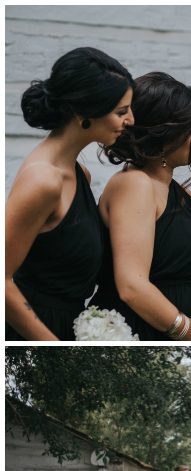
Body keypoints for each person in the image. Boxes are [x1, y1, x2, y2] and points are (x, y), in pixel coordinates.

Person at [6, 47, 134, 340]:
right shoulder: (43, 180)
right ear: (83, 113)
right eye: (121, 112)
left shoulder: (79, 174)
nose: (131, 120)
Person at [90, 72, 191, 340]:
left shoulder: (178, 191)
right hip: (149, 332)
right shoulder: (135, 185)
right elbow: (131, 284)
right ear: (165, 133)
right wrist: (189, 330)